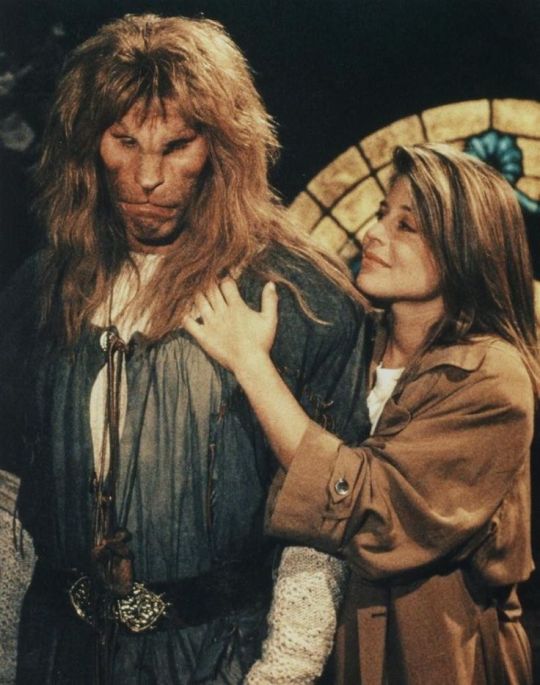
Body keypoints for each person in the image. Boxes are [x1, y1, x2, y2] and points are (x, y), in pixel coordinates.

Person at [0, 13, 371, 684]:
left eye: (176, 146)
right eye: (123, 141)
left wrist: (284, 671)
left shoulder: (298, 296)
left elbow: (317, 523)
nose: (147, 175)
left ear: (222, 148)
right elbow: (8, 493)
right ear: (89, 145)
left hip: (217, 658)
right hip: (59, 655)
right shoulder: (43, 287)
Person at [185, 143, 539, 684]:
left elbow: (375, 509)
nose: (374, 234)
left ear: (465, 249)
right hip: (328, 652)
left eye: (407, 226)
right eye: (381, 214)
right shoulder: (352, 344)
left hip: (434, 660)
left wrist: (251, 364)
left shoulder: (492, 378)